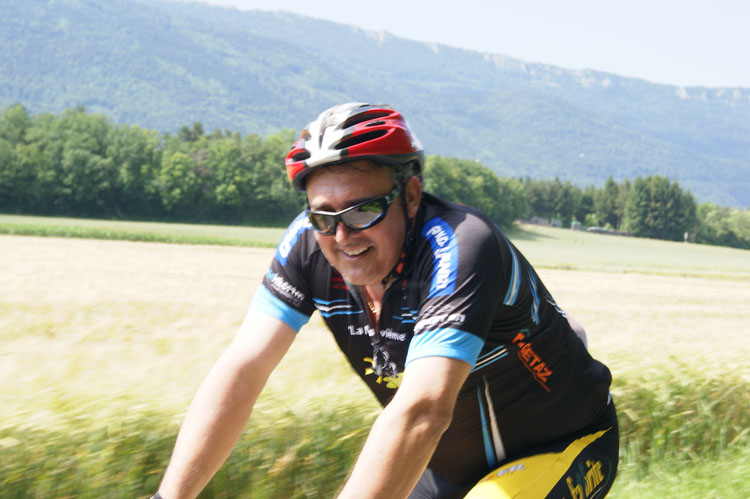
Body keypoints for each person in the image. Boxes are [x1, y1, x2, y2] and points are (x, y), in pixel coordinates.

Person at [154, 103, 618, 498]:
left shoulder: (459, 245)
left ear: (410, 195)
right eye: (323, 215)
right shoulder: (307, 245)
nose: (342, 235)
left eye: (363, 210)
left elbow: (423, 410)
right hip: (442, 469)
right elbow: (242, 371)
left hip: (561, 444)